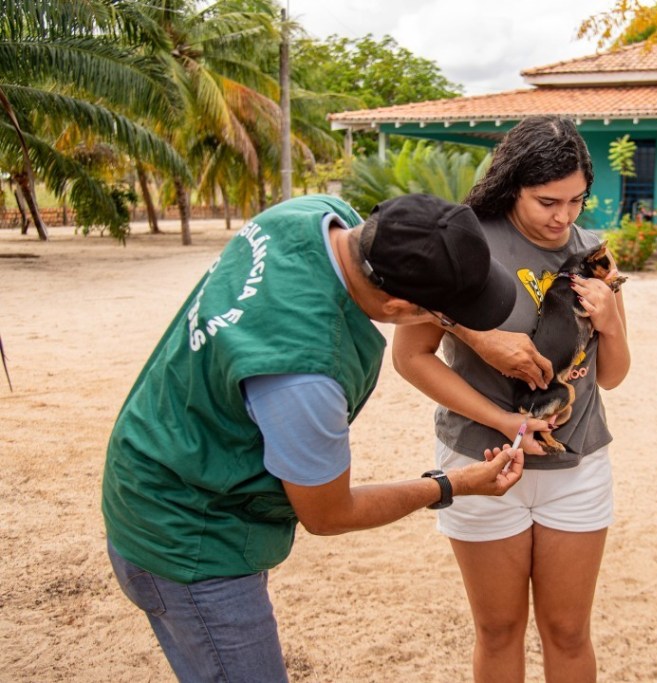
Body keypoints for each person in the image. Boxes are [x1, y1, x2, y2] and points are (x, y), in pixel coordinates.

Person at [102, 192, 529, 682]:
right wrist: (453, 484)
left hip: (155, 453)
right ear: (397, 306)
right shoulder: (305, 378)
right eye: (447, 315)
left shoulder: (311, 216)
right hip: (189, 533)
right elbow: (329, 514)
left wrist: (475, 334)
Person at [392, 115, 630, 682]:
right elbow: (410, 357)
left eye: (576, 201)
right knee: (498, 630)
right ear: (511, 186)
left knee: (568, 632)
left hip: (577, 466)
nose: (564, 218)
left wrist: (611, 321)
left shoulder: (593, 252)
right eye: (547, 202)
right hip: (482, 462)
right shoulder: (464, 241)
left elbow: (613, 376)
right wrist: (503, 419)